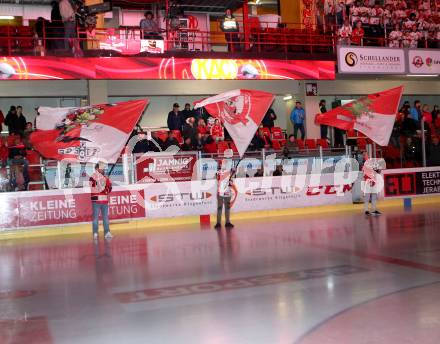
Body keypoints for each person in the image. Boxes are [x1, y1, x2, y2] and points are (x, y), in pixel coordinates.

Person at [90, 162, 113, 240]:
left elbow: (109, 189)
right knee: (95, 218)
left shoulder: (105, 177)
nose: (103, 169)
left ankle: (107, 232)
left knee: (105, 218)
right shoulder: (92, 177)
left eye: (103, 168)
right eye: (101, 168)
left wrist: (108, 184)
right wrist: (102, 183)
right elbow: (94, 188)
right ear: (96, 169)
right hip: (96, 201)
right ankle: (95, 233)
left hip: (104, 201)